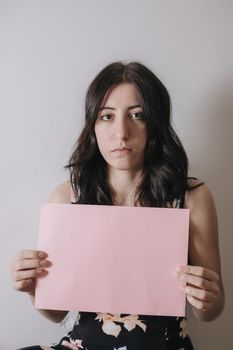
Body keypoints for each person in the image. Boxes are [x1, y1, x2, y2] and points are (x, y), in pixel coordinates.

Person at [11, 61, 225, 350]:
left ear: (155, 122)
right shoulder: (67, 198)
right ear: (93, 126)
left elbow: (211, 311)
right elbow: (56, 313)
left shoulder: (191, 197)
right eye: (107, 116)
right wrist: (33, 290)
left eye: (137, 115)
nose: (121, 133)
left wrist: (207, 300)